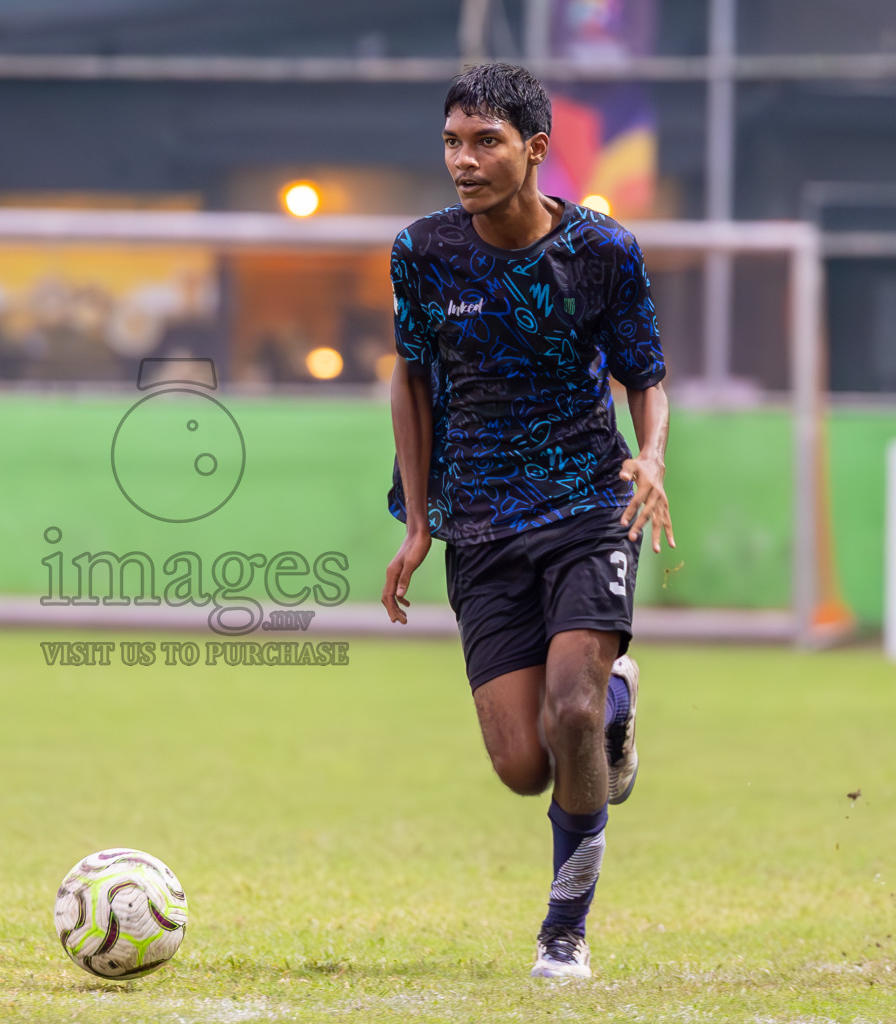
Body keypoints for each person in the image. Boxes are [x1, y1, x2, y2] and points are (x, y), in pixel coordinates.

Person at [382, 63, 673, 979]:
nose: (463, 161)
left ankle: (564, 932)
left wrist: (649, 455)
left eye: (485, 142)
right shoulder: (423, 251)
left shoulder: (602, 251)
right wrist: (421, 519)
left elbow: (645, 375)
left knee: (570, 710)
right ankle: (622, 709)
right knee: (523, 763)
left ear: (535, 150)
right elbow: (411, 378)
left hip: (589, 501)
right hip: (478, 517)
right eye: (451, 143)